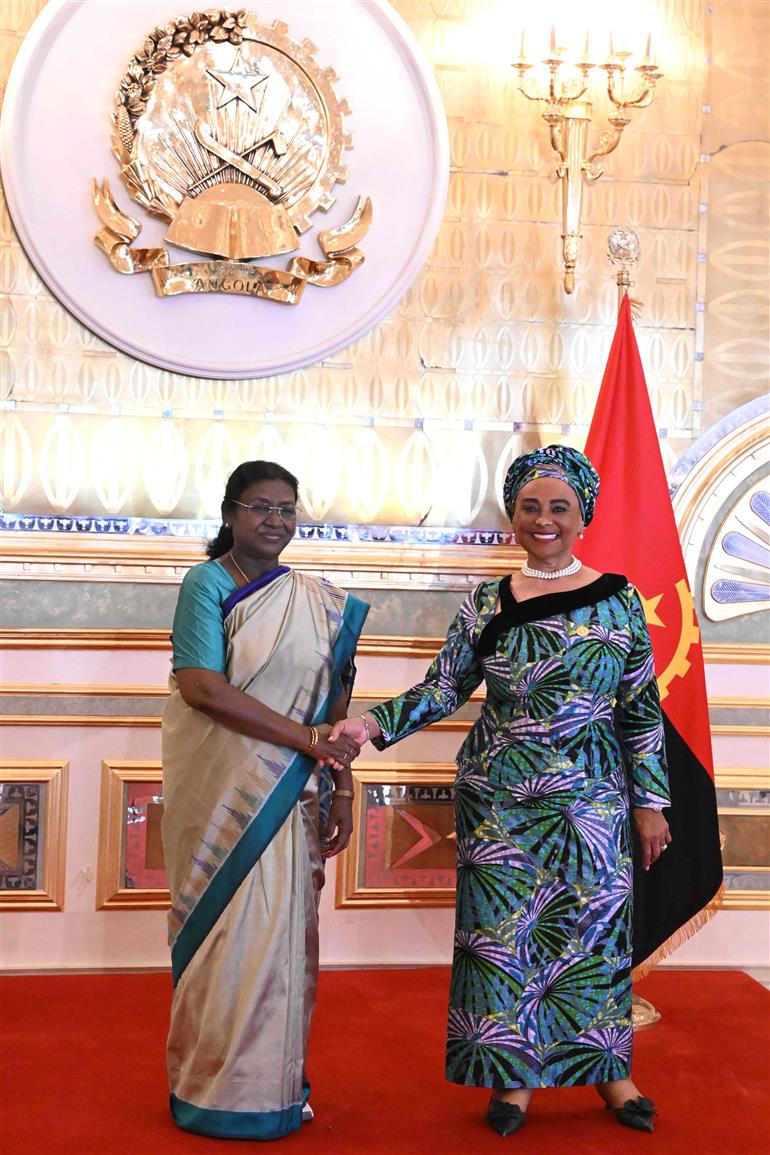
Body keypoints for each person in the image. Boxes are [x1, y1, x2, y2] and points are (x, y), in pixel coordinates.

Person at [327, 445, 671, 1137]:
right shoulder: (488, 600)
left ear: (583, 516)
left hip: (595, 798)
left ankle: (610, 1073)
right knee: (504, 940)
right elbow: (446, 686)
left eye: (559, 508)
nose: (543, 520)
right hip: (499, 798)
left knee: (594, 938)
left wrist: (651, 801)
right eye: (530, 507)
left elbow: (640, 706)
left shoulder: (621, 598)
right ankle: (512, 1081)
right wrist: (369, 723)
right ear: (513, 514)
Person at [161, 460, 369, 1141]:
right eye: (259, 507)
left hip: (294, 796)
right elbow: (202, 689)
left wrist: (340, 780)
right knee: (225, 942)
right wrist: (307, 740)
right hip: (224, 796)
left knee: (284, 945)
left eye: (286, 509)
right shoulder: (207, 584)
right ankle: (211, 1087)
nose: (274, 521)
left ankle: (273, 1086)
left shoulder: (318, 601)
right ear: (229, 513)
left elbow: (334, 700)